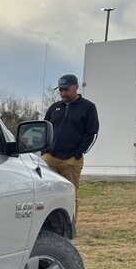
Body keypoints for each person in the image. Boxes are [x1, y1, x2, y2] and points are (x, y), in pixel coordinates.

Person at [43, 73, 99, 227]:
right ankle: (48, 226)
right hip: (50, 158)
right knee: (46, 193)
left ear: (76, 87)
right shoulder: (54, 108)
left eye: (66, 89)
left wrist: (78, 154)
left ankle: (69, 227)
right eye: (60, 90)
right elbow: (44, 130)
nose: (63, 93)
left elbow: (92, 133)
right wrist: (44, 152)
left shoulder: (88, 107)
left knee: (70, 195)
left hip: (71, 161)